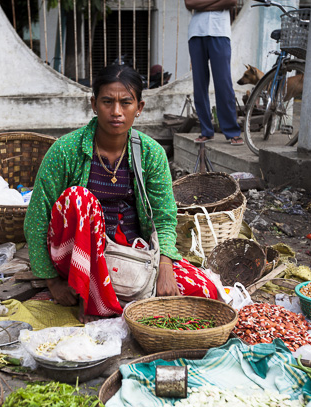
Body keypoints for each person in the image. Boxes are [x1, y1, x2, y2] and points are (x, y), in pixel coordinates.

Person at [24, 64, 219, 323]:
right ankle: (91, 297)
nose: (116, 112)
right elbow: (37, 218)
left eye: (126, 103)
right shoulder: (65, 151)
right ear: (93, 104)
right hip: (75, 259)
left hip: (130, 254)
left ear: (139, 108)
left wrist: (165, 265)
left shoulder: (151, 153)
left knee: (205, 292)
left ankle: (108, 295)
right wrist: (51, 282)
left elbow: (163, 215)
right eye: (107, 102)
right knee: (80, 199)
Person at [185, 0, 243, 145]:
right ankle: (206, 131)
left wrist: (203, 4)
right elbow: (190, 3)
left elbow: (232, 1)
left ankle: (231, 131)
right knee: (200, 84)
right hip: (196, 33)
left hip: (220, 32)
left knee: (223, 83)